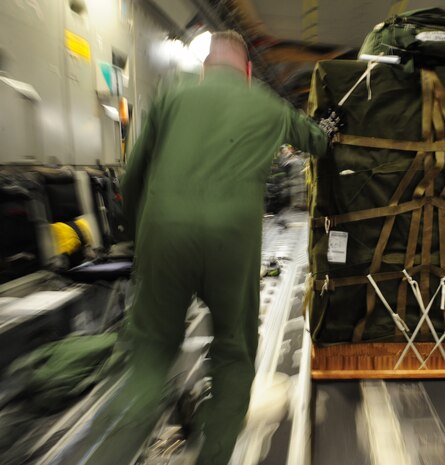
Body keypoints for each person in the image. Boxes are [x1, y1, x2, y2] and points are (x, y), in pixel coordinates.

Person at [72, 30, 329, 465]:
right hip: (232, 244)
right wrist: (327, 127)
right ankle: (213, 455)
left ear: (204, 67)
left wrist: (133, 237)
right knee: (233, 351)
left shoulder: (173, 95)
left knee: (150, 352)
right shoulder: (267, 103)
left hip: (164, 237)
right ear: (248, 72)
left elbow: (133, 174)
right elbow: (316, 141)